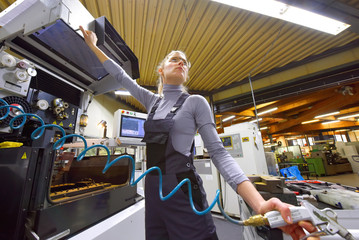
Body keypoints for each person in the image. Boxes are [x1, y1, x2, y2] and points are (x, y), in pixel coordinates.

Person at [79, 25, 319, 240]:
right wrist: (93, 46)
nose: (182, 62)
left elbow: (219, 153)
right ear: (161, 70)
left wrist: (259, 203)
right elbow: (121, 76)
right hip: (154, 197)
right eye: (175, 59)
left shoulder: (195, 102)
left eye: (185, 62)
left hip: (183, 194)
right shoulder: (151, 102)